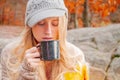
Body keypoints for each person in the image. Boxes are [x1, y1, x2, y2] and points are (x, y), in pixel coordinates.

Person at [1, 0, 89, 80]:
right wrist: (25, 74)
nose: (48, 31)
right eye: (41, 23)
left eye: (55, 24)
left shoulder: (75, 56)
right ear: (30, 26)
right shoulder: (10, 55)